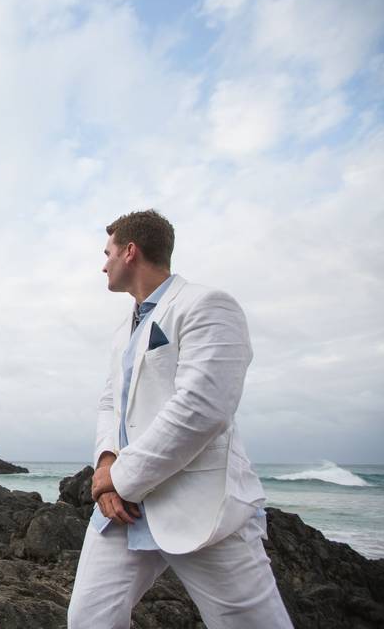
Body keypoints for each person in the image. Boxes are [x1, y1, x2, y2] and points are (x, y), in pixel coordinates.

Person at [67, 210, 292, 628]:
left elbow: (203, 407)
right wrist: (105, 463)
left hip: (200, 507)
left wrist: (121, 478)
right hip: (121, 511)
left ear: (130, 252)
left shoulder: (207, 305)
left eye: (107, 253)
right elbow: (108, 405)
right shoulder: (123, 331)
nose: (103, 264)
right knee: (88, 620)